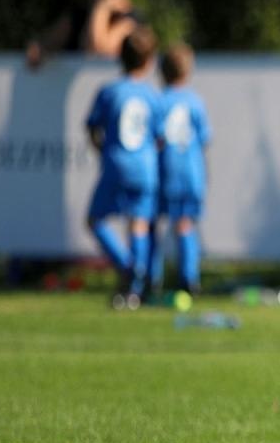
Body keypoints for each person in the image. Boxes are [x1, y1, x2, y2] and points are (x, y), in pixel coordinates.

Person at [84, 27, 162, 309]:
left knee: (95, 220)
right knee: (139, 224)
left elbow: (93, 129)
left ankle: (126, 266)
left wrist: (103, 151)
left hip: (117, 163)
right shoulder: (153, 96)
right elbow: (160, 137)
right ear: (150, 60)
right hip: (145, 168)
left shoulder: (110, 92)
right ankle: (137, 285)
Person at [156, 43, 212, 296]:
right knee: (185, 224)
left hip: (165, 171)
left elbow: (155, 138)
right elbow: (204, 139)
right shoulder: (195, 102)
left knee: (151, 224)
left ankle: (150, 279)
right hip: (191, 173)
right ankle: (189, 280)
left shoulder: (159, 101)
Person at [27, 0, 142, 67]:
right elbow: (44, 43)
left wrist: (101, 9)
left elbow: (97, 54)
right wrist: (38, 50)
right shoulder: (76, 17)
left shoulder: (129, 19)